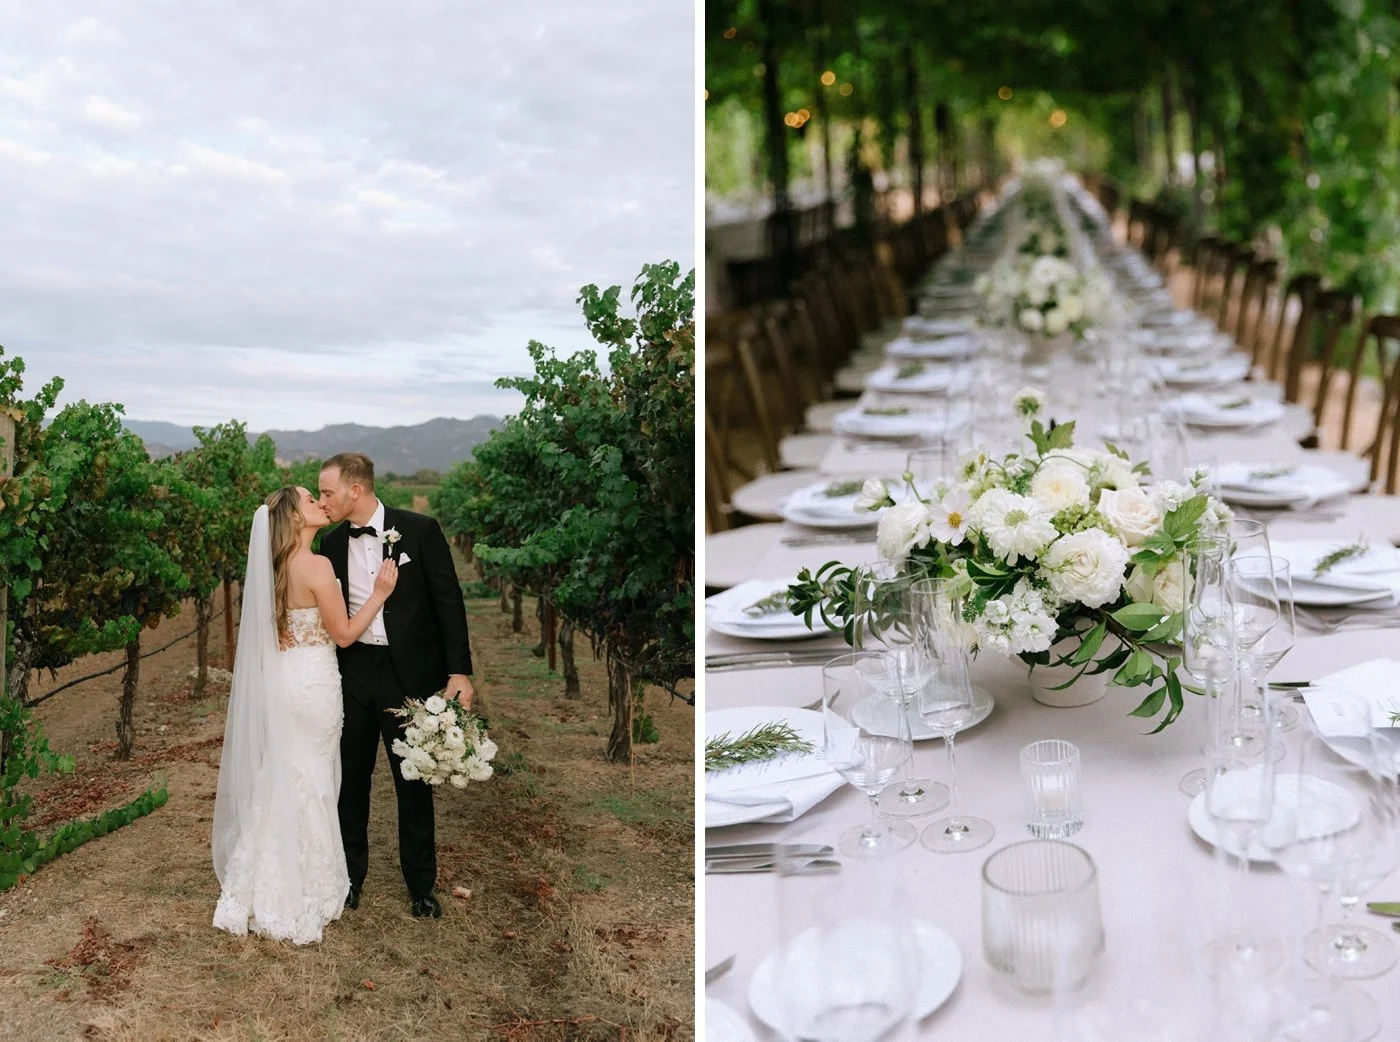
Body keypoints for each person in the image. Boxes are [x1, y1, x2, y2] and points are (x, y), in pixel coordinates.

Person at [211, 486, 398, 944]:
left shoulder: (274, 567)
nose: (318, 501)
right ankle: (305, 886)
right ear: (294, 518)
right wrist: (379, 593)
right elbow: (346, 633)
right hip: (313, 683)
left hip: (283, 681)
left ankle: (264, 879)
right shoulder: (317, 565)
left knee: (283, 774)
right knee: (313, 777)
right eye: (309, 499)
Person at [317, 452, 474, 918]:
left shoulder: (420, 531)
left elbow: (449, 602)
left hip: (410, 674)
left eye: (328, 492)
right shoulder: (328, 543)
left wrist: (459, 672)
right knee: (352, 780)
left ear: (355, 490)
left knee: (414, 780)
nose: (324, 501)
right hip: (352, 672)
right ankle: (349, 879)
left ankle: (422, 886)